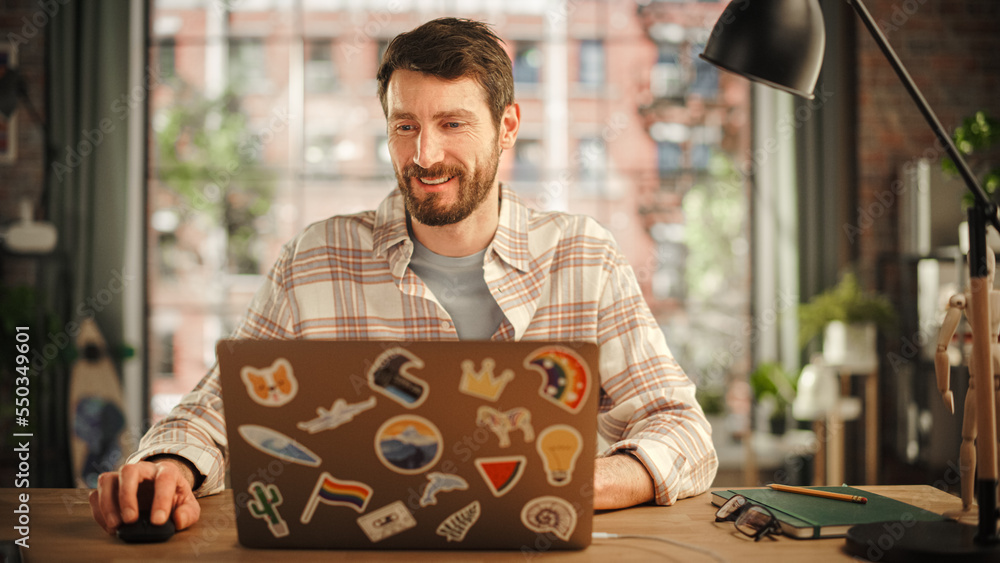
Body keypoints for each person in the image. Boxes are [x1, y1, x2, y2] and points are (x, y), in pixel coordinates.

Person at [90, 17, 718, 535]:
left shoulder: (586, 257)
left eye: (452, 124)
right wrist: (170, 461)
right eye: (405, 126)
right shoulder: (315, 259)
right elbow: (217, 410)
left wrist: (595, 481)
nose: (424, 156)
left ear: (507, 128)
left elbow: (682, 428)